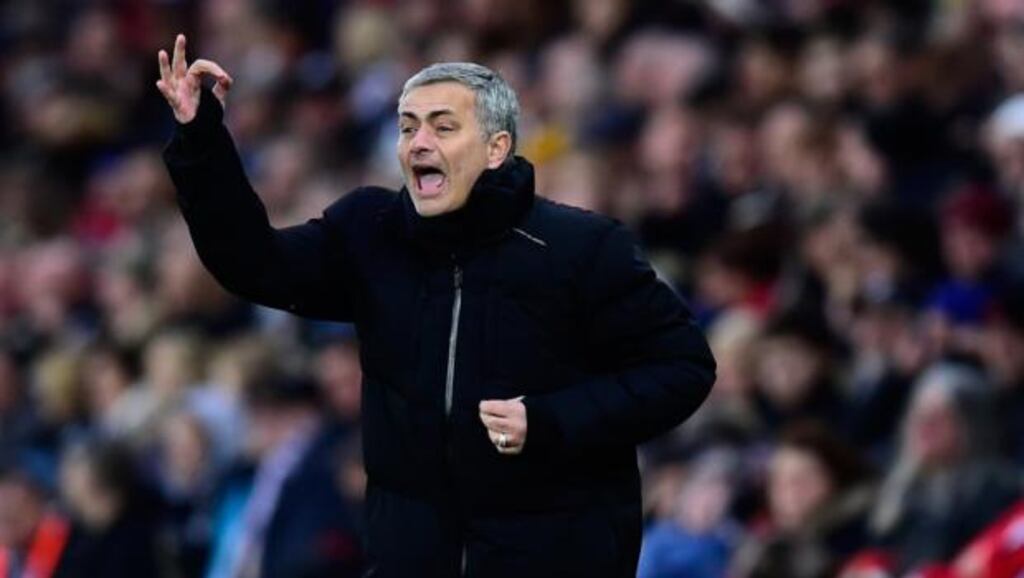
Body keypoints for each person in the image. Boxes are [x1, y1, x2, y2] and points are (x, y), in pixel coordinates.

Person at [157, 33, 716, 578]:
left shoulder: (580, 248)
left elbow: (683, 366)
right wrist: (201, 139)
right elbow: (253, 264)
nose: (418, 142)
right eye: (408, 127)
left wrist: (550, 420)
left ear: (496, 148)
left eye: (443, 127)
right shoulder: (370, 231)